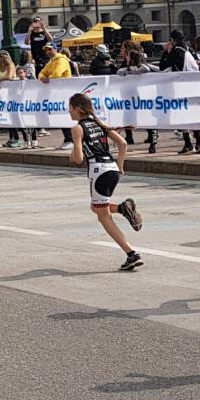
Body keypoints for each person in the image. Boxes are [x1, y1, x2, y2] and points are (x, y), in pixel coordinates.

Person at [67, 93, 142, 271]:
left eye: (69, 109)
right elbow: (123, 144)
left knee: (103, 216)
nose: (69, 112)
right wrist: (120, 166)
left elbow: (78, 158)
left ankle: (131, 254)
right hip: (112, 168)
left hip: (98, 170)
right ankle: (124, 208)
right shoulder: (100, 124)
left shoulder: (77, 128)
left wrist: (71, 155)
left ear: (77, 109)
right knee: (97, 207)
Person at [37, 44, 75, 149]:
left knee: (65, 115)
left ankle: (70, 139)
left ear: (55, 49)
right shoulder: (51, 61)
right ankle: (68, 139)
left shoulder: (62, 60)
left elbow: (57, 74)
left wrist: (46, 78)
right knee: (60, 115)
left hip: (64, 92)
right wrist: (43, 77)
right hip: (58, 93)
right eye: (46, 50)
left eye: (50, 49)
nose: (48, 52)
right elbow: (41, 73)